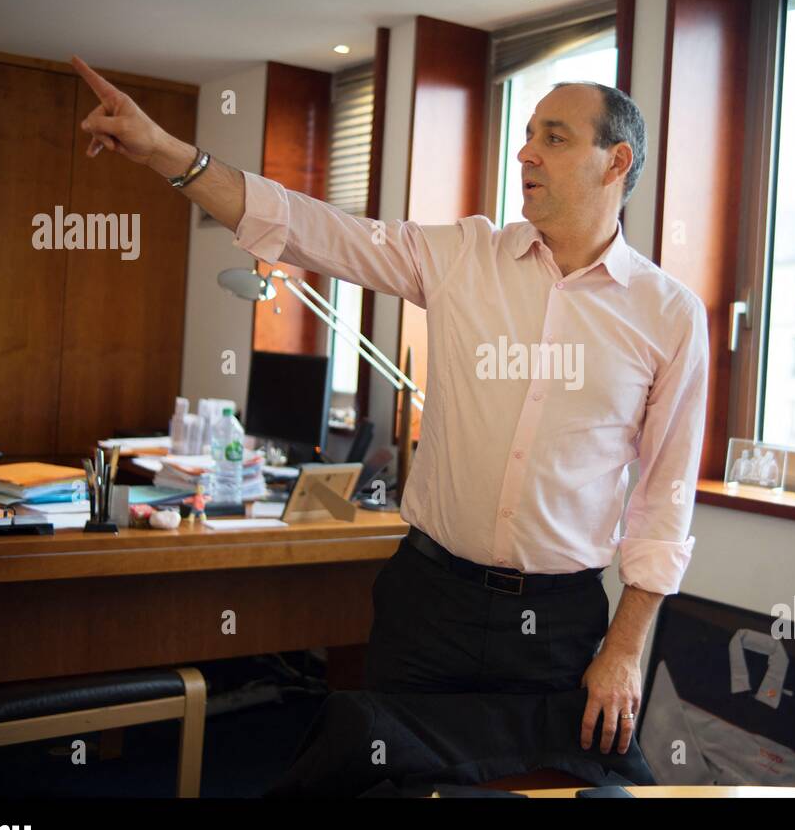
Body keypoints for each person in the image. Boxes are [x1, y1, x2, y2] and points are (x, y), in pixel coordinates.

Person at [70, 55, 709, 760]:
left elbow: (662, 502)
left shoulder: (670, 314)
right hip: (429, 604)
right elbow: (314, 228)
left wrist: (625, 646)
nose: (525, 151)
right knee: (385, 777)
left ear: (615, 161)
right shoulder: (465, 255)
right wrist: (168, 152)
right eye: (526, 132)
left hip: (555, 628)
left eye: (553, 137)